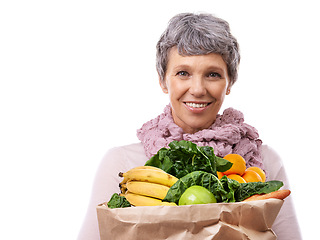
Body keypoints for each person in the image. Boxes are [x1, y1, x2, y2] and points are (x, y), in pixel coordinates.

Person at [77, 13, 302, 240]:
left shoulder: (264, 161)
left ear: (229, 82)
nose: (197, 89)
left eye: (213, 74)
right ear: (163, 80)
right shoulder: (122, 164)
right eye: (183, 73)